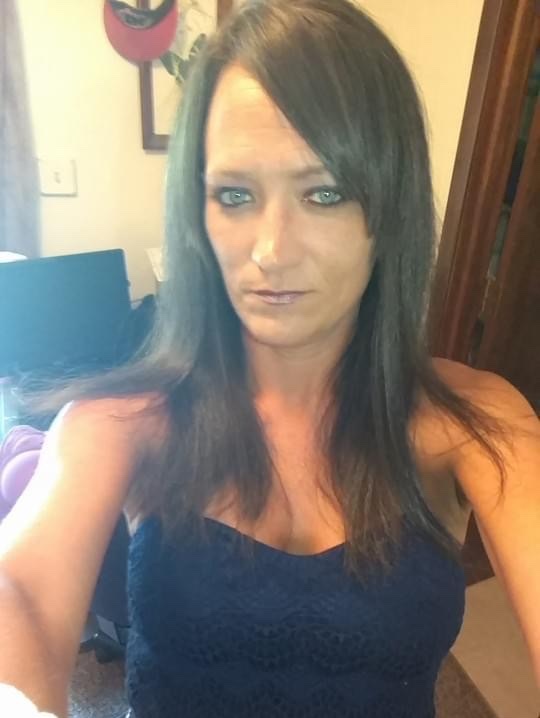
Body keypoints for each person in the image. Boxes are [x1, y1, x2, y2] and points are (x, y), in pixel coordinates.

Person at [1, 1, 539, 716]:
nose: (272, 251)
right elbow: (22, 596)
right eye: (235, 195)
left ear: (389, 212)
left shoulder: (473, 421)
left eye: (325, 193)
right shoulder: (117, 422)